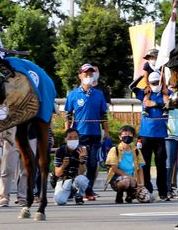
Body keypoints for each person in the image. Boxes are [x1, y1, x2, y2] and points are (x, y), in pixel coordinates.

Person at [64, 62, 109, 200]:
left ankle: (88, 190)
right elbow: (68, 114)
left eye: (91, 74)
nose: (89, 76)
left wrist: (106, 130)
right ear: (80, 76)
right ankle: (73, 189)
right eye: (86, 74)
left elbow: (104, 114)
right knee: (78, 162)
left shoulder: (99, 94)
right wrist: (67, 132)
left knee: (93, 163)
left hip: (94, 133)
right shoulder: (73, 94)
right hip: (79, 134)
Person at [138, 71, 169, 201]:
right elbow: (131, 87)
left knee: (161, 165)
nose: (155, 85)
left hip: (160, 135)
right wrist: (143, 78)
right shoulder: (144, 93)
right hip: (145, 135)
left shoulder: (165, 95)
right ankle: (147, 190)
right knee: (144, 164)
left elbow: (173, 104)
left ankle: (163, 192)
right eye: (153, 83)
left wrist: (156, 104)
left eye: (157, 83)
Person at [106, 125, 146, 203]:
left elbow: (140, 168)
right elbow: (114, 168)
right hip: (118, 179)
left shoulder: (136, 151)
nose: (127, 136)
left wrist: (142, 183)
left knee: (147, 199)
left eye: (130, 135)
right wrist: (129, 177)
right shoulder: (114, 150)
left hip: (133, 179)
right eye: (124, 134)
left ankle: (130, 195)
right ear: (120, 137)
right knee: (125, 182)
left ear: (133, 137)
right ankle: (119, 194)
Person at [53, 127, 89, 205]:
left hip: (76, 178)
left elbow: (81, 173)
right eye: (70, 138)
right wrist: (63, 165)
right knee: (59, 201)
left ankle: (79, 196)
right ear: (65, 139)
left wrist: (81, 161)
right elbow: (57, 173)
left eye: (75, 137)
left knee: (82, 180)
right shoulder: (60, 151)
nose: (73, 140)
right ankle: (68, 193)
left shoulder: (82, 150)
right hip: (64, 179)